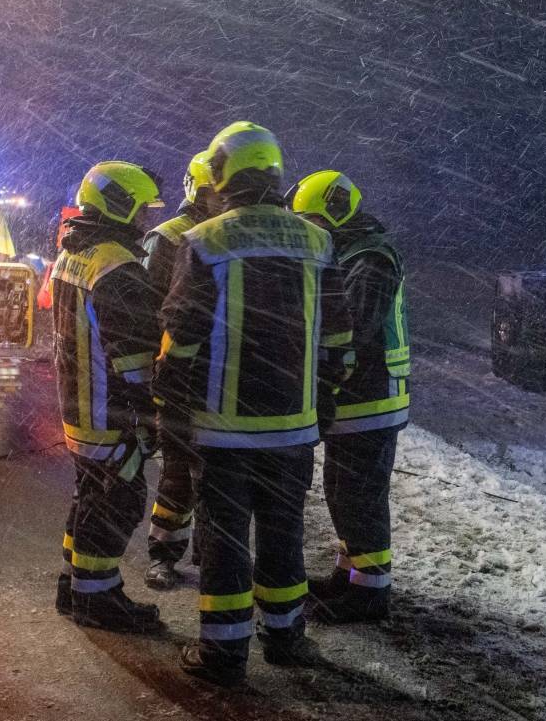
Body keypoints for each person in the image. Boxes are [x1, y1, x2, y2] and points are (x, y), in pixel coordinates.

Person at [156, 122, 352, 686]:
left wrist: (171, 406)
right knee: (284, 532)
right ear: (274, 172)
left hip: (224, 430)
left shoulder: (206, 241)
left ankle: (223, 655)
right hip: (293, 429)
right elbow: (339, 337)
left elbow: (181, 339)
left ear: (220, 174)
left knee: (224, 539)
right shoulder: (318, 241)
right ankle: (287, 638)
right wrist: (325, 401)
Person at [49, 161, 165, 634]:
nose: (145, 221)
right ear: (120, 206)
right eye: (140, 210)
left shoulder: (73, 253)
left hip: (79, 407)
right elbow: (134, 357)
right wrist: (150, 412)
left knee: (90, 494)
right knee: (118, 500)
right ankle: (97, 600)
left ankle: (75, 583)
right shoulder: (118, 266)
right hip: (108, 410)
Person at [290, 170, 410, 623]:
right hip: (358, 398)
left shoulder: (371, 259)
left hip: (372, 398)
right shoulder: (353, 252)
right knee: (342, 491)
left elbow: (354, 329)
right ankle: (351, 574)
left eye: (312, 221)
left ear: (333, 213)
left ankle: (371, 594)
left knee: (360, 496)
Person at [141, 150, 220, 590]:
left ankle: (209, 555)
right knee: (178, 471)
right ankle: (165, 555)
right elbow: (147, 312)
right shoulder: (169, 237)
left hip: (211, 374)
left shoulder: (218, 235)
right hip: (182, 372)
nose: (216, 201)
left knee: (212, 473)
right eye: (210, 193)